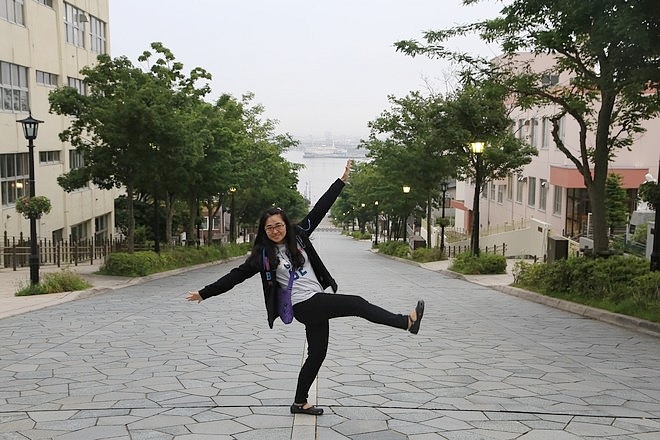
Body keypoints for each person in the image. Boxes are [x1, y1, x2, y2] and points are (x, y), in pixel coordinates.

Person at [186, 160, 424, 416]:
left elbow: (321, 208)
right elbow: (234, 277)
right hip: (304, 305)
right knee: (356, 303)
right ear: (263, 231)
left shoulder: (299, 235)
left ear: (286, 224)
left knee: (317, 355)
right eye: (270, 227)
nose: (275, 230)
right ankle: (406, 323)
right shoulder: (262, 256)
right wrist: (204, 293)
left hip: (315, 301)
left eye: (279, 225)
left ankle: (300, 402)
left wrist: (341, 182)